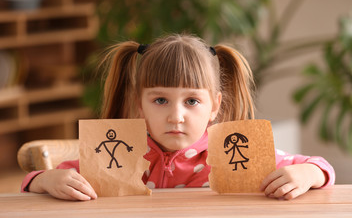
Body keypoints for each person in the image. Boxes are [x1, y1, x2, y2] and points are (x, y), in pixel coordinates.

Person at [21, 34, 335, 201]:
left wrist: (307, 174)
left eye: (192, 101)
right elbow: (36, 183)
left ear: (215, 105)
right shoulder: (116, 157)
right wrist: (47, 179)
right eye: (160, 100)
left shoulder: (238, 152)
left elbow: (321, 168)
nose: (176, 116)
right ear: (139, 104)